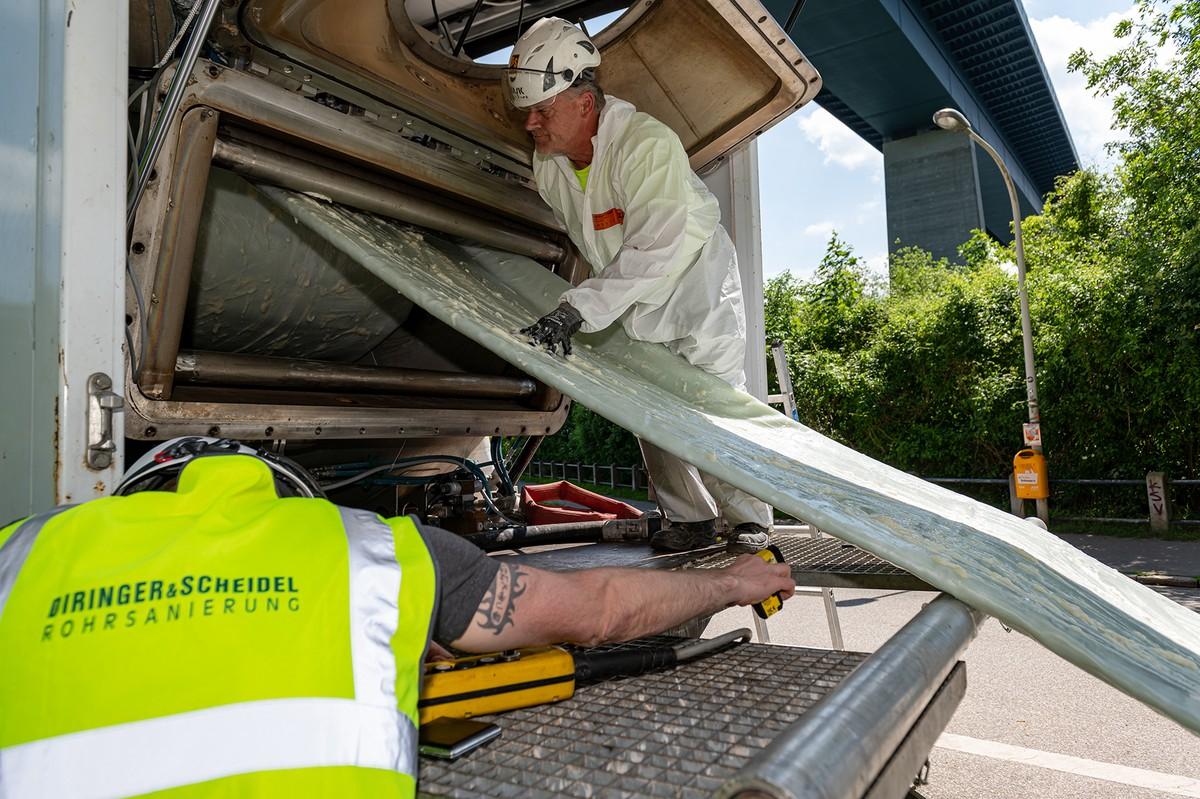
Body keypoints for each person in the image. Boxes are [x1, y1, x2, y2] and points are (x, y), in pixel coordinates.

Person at [0, 437, 793, 798]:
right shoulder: (372, 551)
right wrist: (732, 581)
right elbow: (601, 609)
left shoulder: (21, 555)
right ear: (285, 498)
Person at [511, 17, 775, 553]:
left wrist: (577, 309)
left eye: (543, 110)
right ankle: (689, 519)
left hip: (695, 289)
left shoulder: (645, 144)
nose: (532, 123)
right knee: (647, 408)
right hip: (631, 298)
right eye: (528, 113)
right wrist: (587, 302)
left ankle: (749, 520)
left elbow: (656, 245)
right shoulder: (550, 166)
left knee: (716, 403)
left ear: (584, 102)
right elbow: (595, 246)